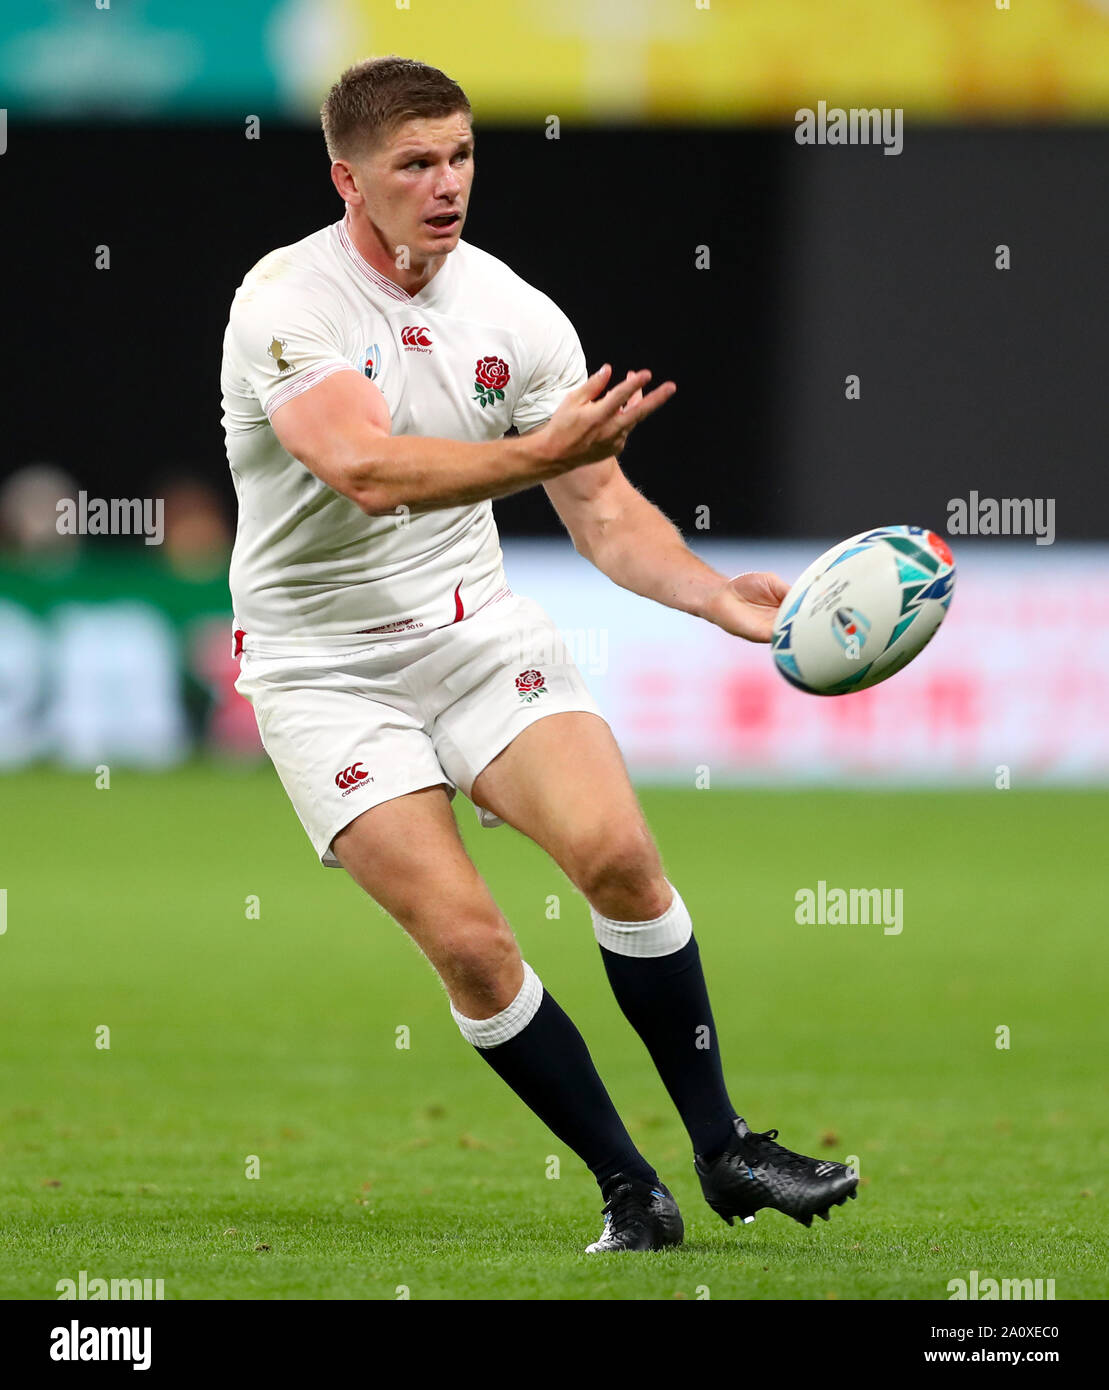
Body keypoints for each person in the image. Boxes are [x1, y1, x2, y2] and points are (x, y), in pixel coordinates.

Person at [220, 55, 858, 1252]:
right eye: (414, 162)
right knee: (471, 943)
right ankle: (629, 1187)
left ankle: (723, 1149)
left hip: (472, 631)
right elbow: (365, 469)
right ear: (346, 178)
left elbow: (601, 508)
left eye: (459, 155)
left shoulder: (512, 312)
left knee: (618, 855)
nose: (445, 182)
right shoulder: (284, 301)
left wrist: (717, 597)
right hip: (321, 669)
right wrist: (532, 455)